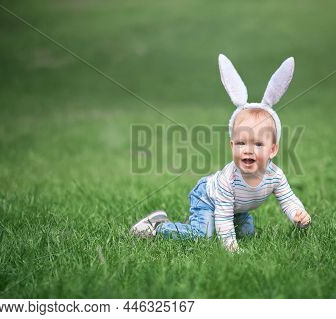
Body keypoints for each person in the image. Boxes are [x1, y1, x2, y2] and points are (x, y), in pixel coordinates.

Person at [130, 54, 311, 252]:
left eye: (258, 144)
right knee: (202, 236)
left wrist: (297, 213)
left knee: (248, 234)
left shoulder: (275, 176)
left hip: (237, 209)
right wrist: (231, 248)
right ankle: (157, 227)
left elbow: (287, 198)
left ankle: (199, 221)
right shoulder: (229, 179)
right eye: (241, 142)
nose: (248, 150)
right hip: (207, 197)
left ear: (273, 149)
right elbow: (224, 214)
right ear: (232, 145)